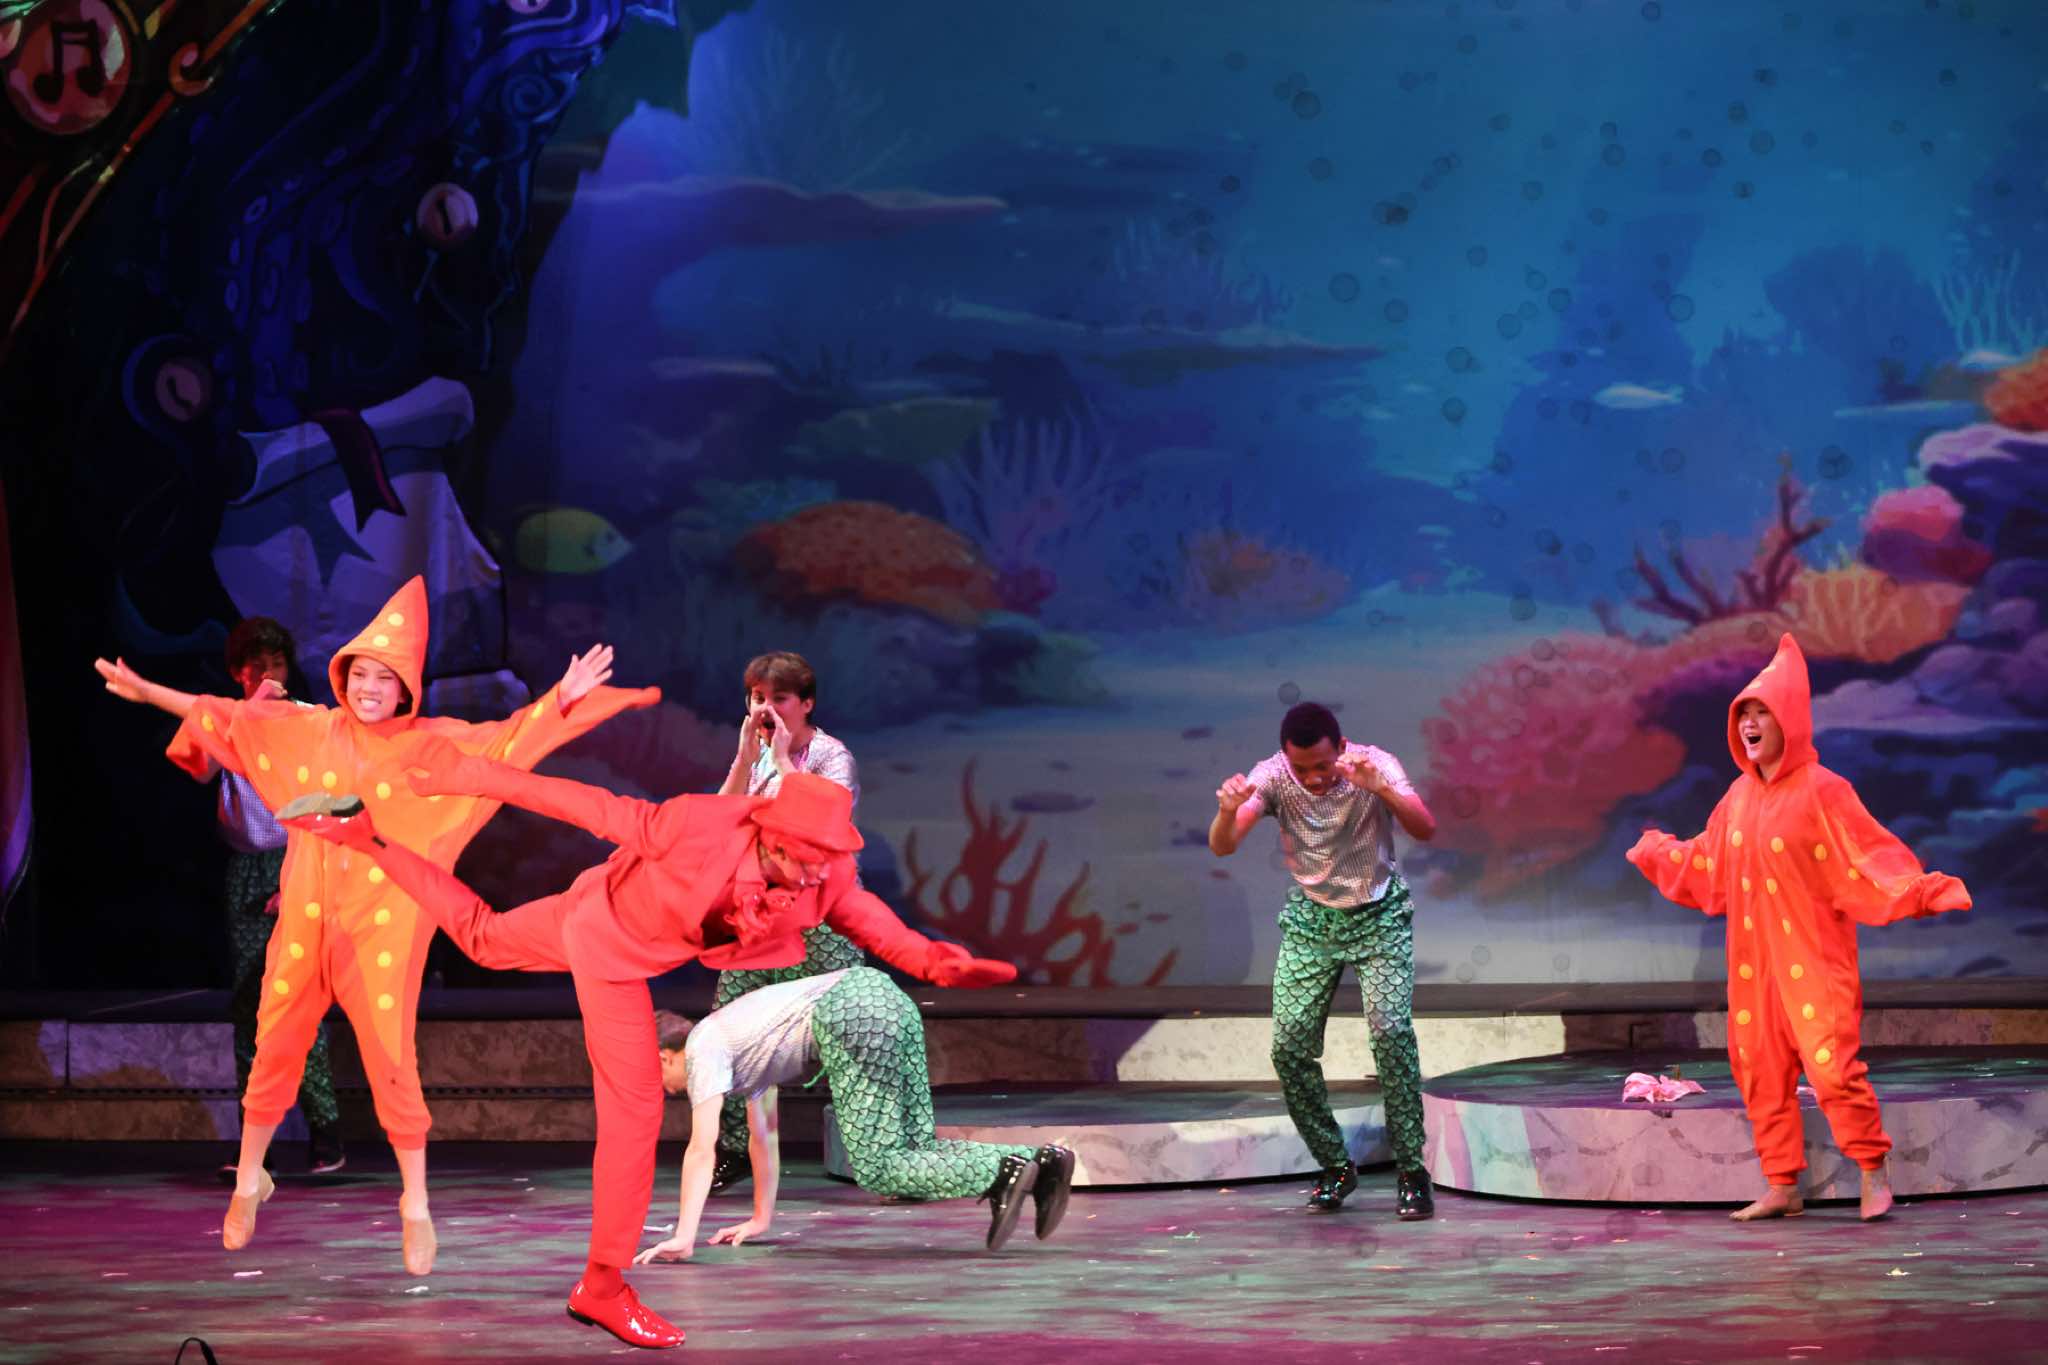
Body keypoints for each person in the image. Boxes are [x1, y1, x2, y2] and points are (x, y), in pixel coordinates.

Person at [283, 748, 1018, 1351]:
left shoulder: (825, 876)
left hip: (592, 910)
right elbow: (585, 804)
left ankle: (363, 836)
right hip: (606, 943)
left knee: (482, 937)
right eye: (814, 858)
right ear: (774, 840)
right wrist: (471, 773)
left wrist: (936, 962)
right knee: (636, 1110)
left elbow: (873, 922)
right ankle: (602, 1287)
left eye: (834, 857)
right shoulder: (691, 826)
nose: (826, 871)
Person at [95, 577, 651, 1274]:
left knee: (391, 1056)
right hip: (306, 914)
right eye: (360, 674)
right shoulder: (311, 728)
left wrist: (559, 701)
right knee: (274, 1041)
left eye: (384, 679)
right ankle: (249, 1179)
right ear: (343, 677)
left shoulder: (428, 745)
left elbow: (504, 744)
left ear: (404, 688)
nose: (369, 688)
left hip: (386, 921)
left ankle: (415, 1202)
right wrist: (149, 691)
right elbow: (229, 718)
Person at [1627, 633, 1970, 1222]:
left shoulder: (1824, 790)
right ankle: (1782, 1185)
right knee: (1759, 1068)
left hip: (1814, 959)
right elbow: (1708, 862)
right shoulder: (1737, 797)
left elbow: (1870, 858)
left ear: (1789, 719)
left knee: (1833, 1069)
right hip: (1753, 964)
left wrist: (1922, 890)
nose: (1749, 724)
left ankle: (1872, 1168)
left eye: (1762, 712)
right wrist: (1659, 852)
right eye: (1743, 714)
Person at [638, 976, 1072, 1268]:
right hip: (885, 997)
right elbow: (763, 1135)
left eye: (661, 1081)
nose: (670, 1092)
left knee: (878, 1166)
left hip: (851, 1011)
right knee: (915, 1146)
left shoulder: (702, 1048)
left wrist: (684, 1235)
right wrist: (760, 1219)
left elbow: (702, 1149)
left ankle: (1002, 1171)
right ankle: (1041, 1160)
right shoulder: (734, 1045)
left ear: (664, 1057)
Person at [1209, 701, 1439, 1219]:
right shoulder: (1272, 776)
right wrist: (1226, 811)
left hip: (1379, 915)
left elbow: (1425, 827)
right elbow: (1224, 845)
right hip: (1313, 922)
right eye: (1302, 768)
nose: (1313, 778)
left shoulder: (1374, 763)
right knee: (1289, 1046)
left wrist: (1380, 789)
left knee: (1390, 1034)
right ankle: (1335, 1165)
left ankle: (1411, 1170)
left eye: (1323, 765)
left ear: (1341, 747)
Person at [706, 651, 864, 1191]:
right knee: (728, 1024)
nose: (766, 709)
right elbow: (719, 818)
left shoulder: (831, 756)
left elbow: (822, 822)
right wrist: (744, 759)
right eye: (757, 698)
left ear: (806, 704)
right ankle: (734, 1148)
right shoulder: (755, 758)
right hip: (758, 911)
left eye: (779, 699)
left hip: (821, 913)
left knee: (845, 1023)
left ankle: (871, 1148)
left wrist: (783, 761)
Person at [213, 617, 344, 1180]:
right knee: (251, 1005)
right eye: (257, 667)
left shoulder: (307, 723)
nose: (269, 676)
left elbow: (330, 805)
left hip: (299, 861)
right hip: (247, 871)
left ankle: (326, 1133)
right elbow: (196, 761)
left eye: (278, 665)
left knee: (299, 1001)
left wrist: (295, 882)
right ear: (238, 673)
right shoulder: (227, 723)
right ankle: (255, 1143)